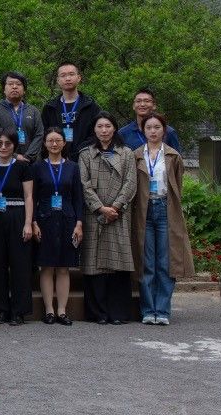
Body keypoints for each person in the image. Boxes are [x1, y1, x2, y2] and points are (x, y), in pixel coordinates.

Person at [132, 112, 194, 326]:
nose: (153, 131)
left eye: (157, 127)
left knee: (166, 263)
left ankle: (163, 310)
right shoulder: (136, 155)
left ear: (164, 130)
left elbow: (178, 187)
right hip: (144, 210)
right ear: (143, 130)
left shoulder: (173, 156)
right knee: (147, 262)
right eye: (149, 127)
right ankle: (148, 310)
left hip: (165, 208)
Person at [78, 113, 137, 325]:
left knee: (118, 264)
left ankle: (118, 313)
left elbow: (130, 182)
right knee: (94, 266)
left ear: (114, 129)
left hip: (119, 214)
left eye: (108, 126)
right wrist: (101, 208)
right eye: (100, 126)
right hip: (94, 214)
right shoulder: (86, 154)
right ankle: (98, 313)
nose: (104, 130)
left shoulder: (126, 153)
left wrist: (115, 207)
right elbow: (84, 185)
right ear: (94, 130)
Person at [32, 128, 84, 325]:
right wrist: (33, 221)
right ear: (45, 143)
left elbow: (78, 197)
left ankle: (62, 310)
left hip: (68, 220)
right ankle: (49, 310)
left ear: (64, 142)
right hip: (44, 220)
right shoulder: (37, 167)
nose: (54, 144)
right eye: (50, 141)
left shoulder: (73, 167)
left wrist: (79, 223)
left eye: (58, 140)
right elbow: (32, 197)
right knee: (46, 267)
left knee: (63, 267)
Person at [0, 129, 35, 325]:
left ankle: (18, 311)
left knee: (20, 264)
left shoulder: (23, 167)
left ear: (14, 145)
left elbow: (29, 196)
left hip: (18, 216)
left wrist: (28, 223)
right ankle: (0, 310)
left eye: (8, 143)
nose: (3, 147)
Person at [41, 61, 101, 162]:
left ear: (79, 78)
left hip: (86, 158)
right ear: (58, 80)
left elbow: (96, 134)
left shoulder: (91, 106)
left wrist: (79, 152)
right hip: (57, 159)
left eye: (71, 74)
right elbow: (44, 135)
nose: (68, 78)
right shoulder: (49, 108)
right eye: (63, 75)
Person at [0, 71, 44, 165]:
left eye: (18, 84)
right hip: (3, 163)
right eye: (10, 84)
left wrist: (28, 156)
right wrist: (15, 156)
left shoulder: (33, 111)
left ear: (24, 90)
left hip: (29, 163)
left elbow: (39, 135)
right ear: (4, 89)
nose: (14, 87)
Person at [118, 88, 182, 151]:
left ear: (154, 105)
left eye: (147, 101)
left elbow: (176, 157)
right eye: (138, 101)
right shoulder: (123, 133)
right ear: (133, 106)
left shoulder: (168, 132)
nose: (142, 104)